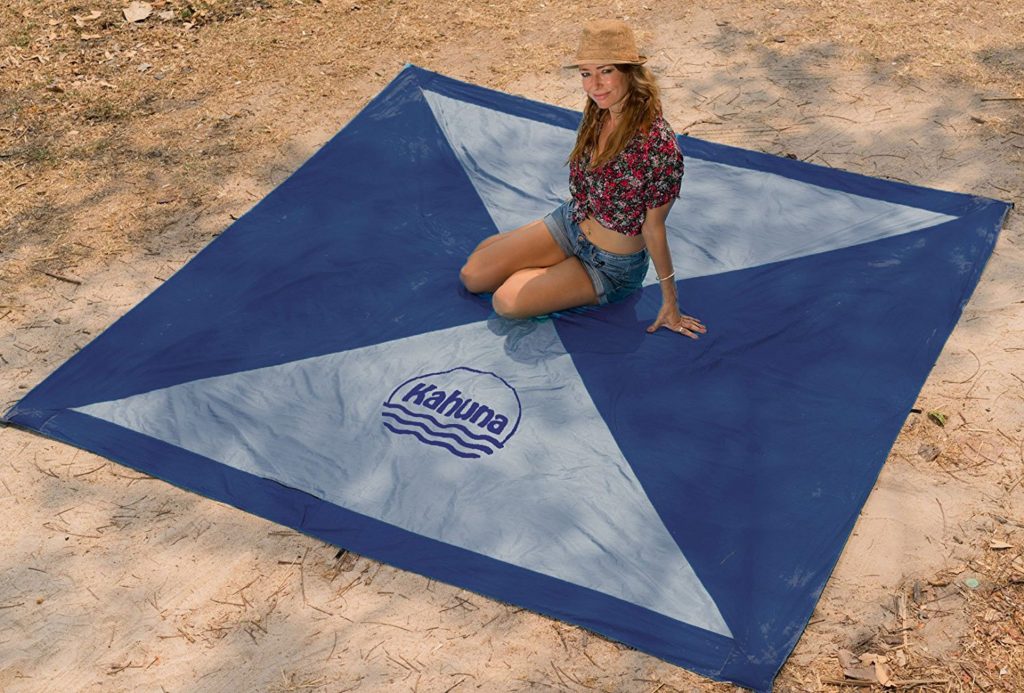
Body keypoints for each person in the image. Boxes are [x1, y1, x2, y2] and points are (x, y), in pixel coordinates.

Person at [459, 19, 706, 339]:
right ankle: (538, 265)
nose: (594, 85)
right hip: (571, 222)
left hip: (608, 266)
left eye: (605, 71)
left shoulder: (657, 146)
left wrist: (670, 302)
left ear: (630, 71)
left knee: (505, 301)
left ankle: (545, 273)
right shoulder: (600, 111)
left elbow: (653, 228)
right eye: (586, 74)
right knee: (472, 275)